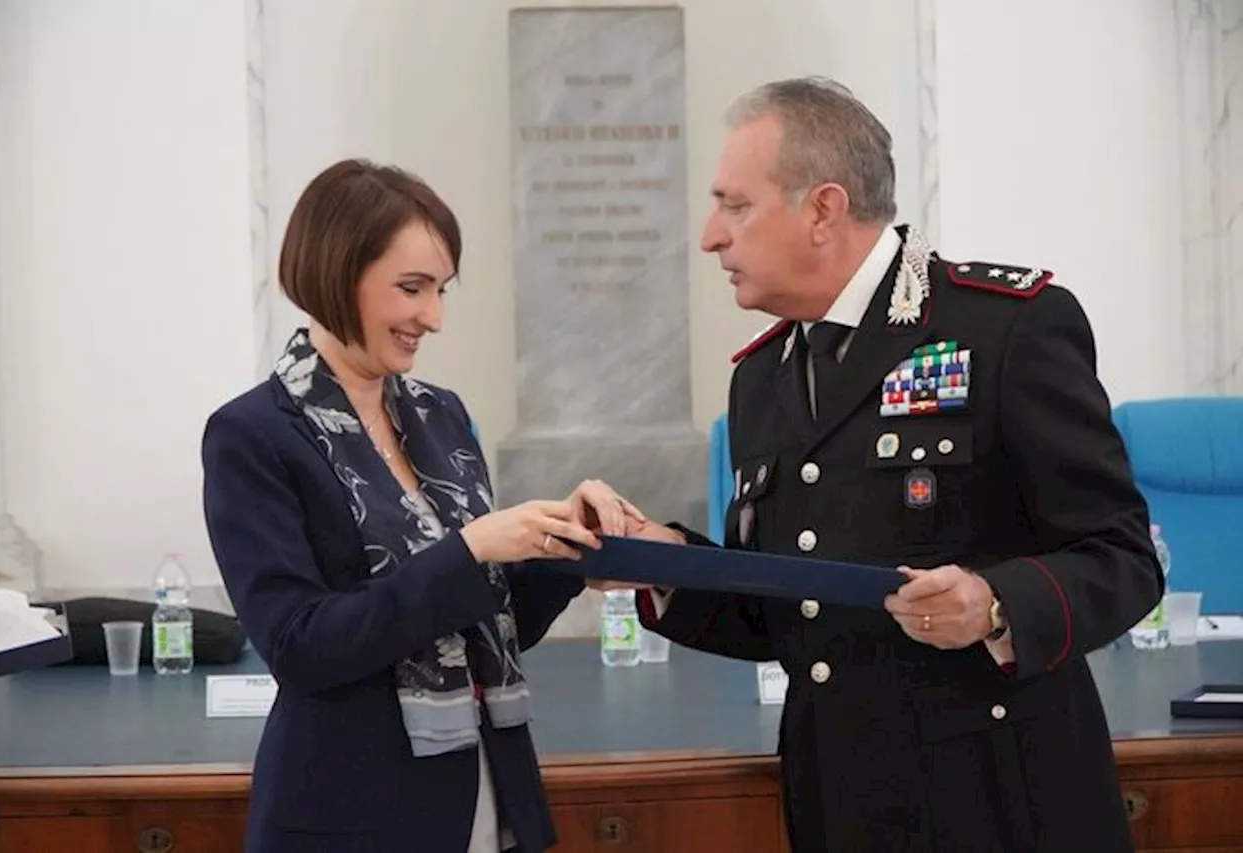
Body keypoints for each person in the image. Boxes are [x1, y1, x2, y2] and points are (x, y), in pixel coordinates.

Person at [626, 77, 1163, 852]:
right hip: (841, 803)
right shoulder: (764, 374)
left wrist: (995, 604)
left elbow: (1123, 558)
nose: (710, 235)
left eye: (734, 205)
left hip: (1000, 801)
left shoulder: (1004, 328)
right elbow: (787, 611)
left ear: (823, 208)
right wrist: (659, 558)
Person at [200, 158, 640, 853]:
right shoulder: (252, 435)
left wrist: (561, 545)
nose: (432, 317)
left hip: (489, 793)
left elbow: (485, 622)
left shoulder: (443, 416)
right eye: (411, 288)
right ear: (337, 273)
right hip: (352, 811)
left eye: (440, 290)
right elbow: (300, 646)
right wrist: (470, 550)